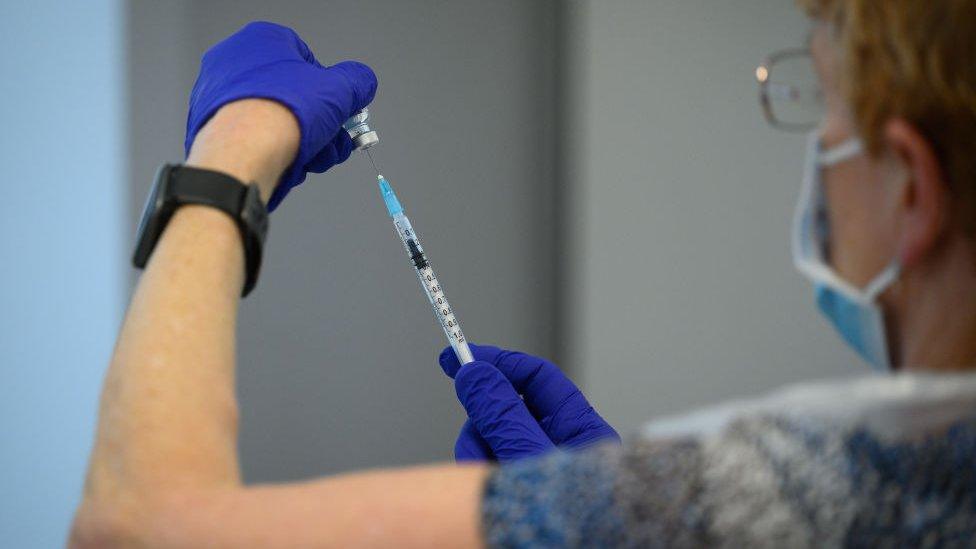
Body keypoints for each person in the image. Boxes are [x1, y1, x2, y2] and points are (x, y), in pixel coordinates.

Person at [71, 0, 976, 545]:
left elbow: (133, 527)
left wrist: (230, 157)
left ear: (913, 194)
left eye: (822, 108)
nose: (814, 149)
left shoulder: (829, 490)